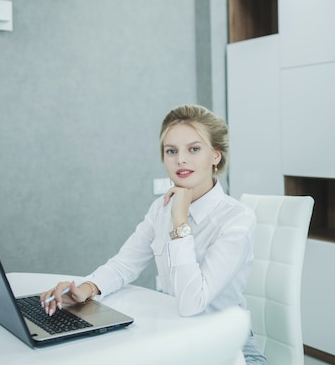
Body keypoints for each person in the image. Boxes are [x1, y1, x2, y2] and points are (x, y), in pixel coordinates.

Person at [40, 104, 266, 364]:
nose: (180, 159)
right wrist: (87, 288)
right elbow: (125, 264)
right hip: (177, 336)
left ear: (215, 155)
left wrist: (180, 221)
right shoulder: (160, 209)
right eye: (171, 151)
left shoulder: (237, 219)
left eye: (194, 149)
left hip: (229, 347)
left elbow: (192, 304)